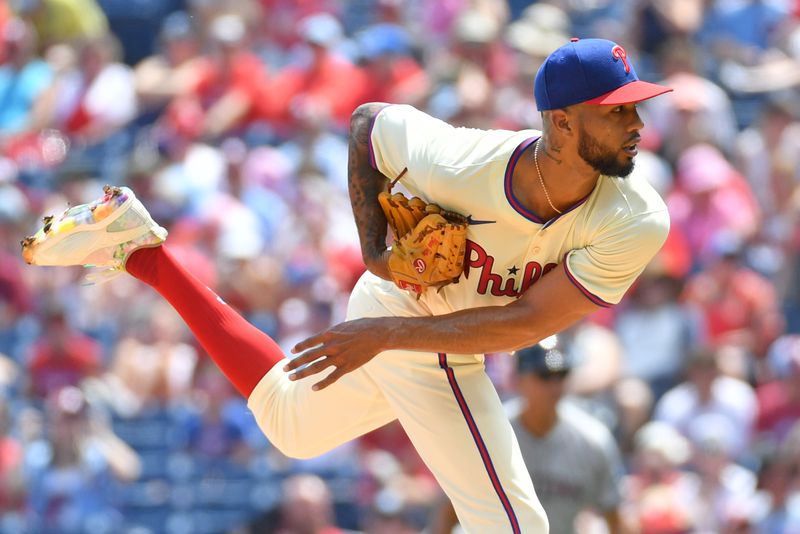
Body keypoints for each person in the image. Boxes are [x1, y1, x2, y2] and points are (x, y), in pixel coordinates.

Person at [21, 38, 671, 533]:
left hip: (416, 329)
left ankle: (143, 255)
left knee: (292, 425)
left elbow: (529, 323)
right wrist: (376, 253)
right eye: (616, 112)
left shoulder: (634, 216)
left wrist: (384, 335)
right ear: (560, 124)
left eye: (635, 107)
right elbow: (368, 123)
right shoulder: (460, 163)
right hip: (407, 319)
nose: (637, 124)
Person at [431, 338, 624, 534]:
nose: (554, 386)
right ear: (519, 379)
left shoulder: (592, 440)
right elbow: (447, 513)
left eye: (561, 375)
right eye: (544, 376)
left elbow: (616, 519)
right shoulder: (488, 434)